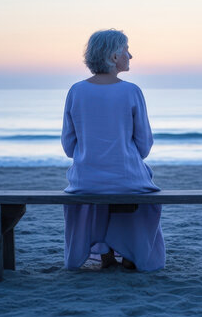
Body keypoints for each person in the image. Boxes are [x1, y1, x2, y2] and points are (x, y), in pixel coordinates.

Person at [61, 29, 165, 271]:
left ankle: (105, 253)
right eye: (126, 49)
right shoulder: (131, 91)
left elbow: (68, 147)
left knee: (95, 195)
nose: (131, 55)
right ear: (113, 56)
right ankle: (130, 254)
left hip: (85, 181)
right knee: (142, 198)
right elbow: (144, 146)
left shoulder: (76, 91)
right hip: (127, 178)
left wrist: (93, 154)